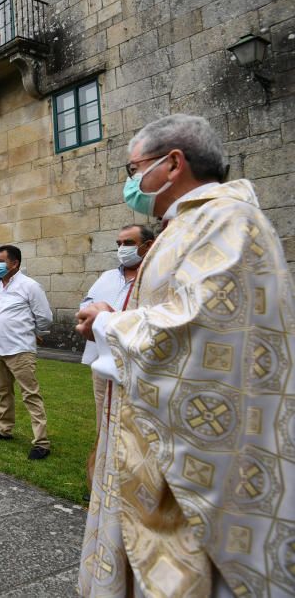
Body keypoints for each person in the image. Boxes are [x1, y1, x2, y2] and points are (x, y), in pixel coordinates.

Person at [75, 114, 295, 596]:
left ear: (172, 164)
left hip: (198, 458)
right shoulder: (187, 224)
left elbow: (201, 329)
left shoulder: (228, 219)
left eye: (133, 169)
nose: (130, 183)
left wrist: (109, 324)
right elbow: (173, 311)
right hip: (148, 435)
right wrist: (119, 313)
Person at [0, 245, 53, 461]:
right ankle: (4, 429)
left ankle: (41, 442)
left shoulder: (30, 286)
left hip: (20, 349)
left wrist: (34, 332)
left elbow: (44, 317)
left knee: (30, 394)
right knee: (2, 392)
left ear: (15, 263)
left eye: (0, 261)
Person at [79, 224, 155, 432]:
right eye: (119, 244)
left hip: (138, 362)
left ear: (148, 246)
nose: (122, 248)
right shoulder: (107, 277)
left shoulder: (157, 277)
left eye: (129, 243)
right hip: (103, 358)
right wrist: (90, 316)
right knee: (103, 414)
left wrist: (111, 319)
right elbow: (86, 304)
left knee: (136, 423)